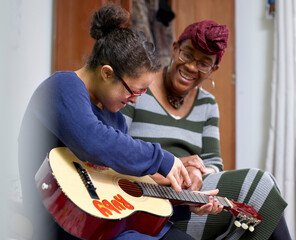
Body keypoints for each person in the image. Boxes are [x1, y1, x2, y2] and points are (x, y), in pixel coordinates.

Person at [18, 5, 223, 240]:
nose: (136, 100)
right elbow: (93, 142)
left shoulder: (114, 115)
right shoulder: (62, 86)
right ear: (106, 73)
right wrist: (161, 158)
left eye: (143, 91)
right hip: (68, 222)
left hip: (107, 218)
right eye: (134, 91)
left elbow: (123, 189)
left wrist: (187, 205)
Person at [121, 20, 292, 239]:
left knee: (257, 206)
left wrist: (198, 174)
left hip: (192, 201)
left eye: (204, 63)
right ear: (175, 48)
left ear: (213, 69)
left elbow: (214, 164)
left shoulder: (207, 104)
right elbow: (117, 147)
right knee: (261, 184)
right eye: (188, 55)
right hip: (146, 194)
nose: (192, 67)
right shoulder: (139, 89)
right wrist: (177, 164)